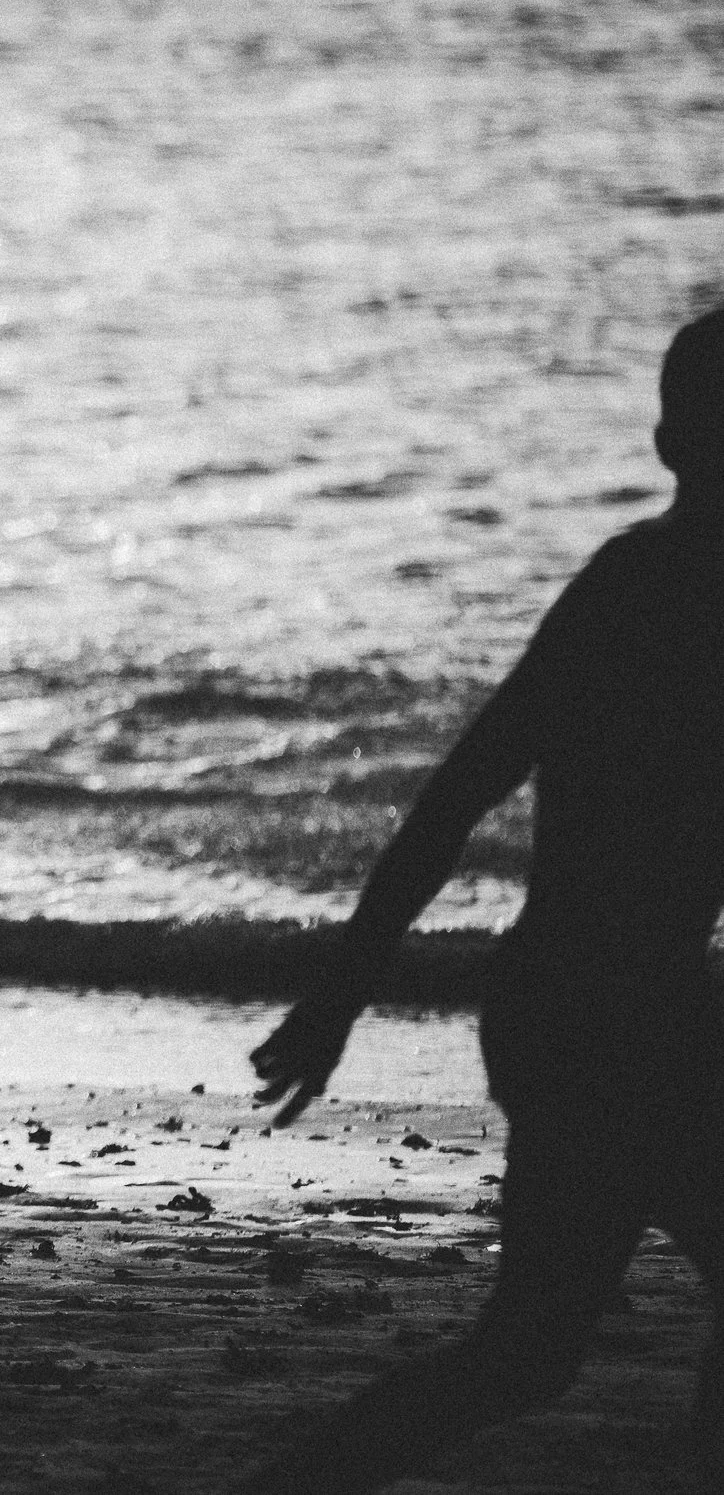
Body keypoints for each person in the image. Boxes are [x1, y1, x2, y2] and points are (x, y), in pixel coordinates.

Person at [243, 308, 724, 1492]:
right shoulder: (633, 591)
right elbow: (457, 797)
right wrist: (335, 1002)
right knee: (526, 1352)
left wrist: (337, 998)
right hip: (597, 1014)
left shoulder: (633, 581)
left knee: (530, 1354)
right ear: (674, 446)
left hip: (614, 1004)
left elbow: (455, 799)